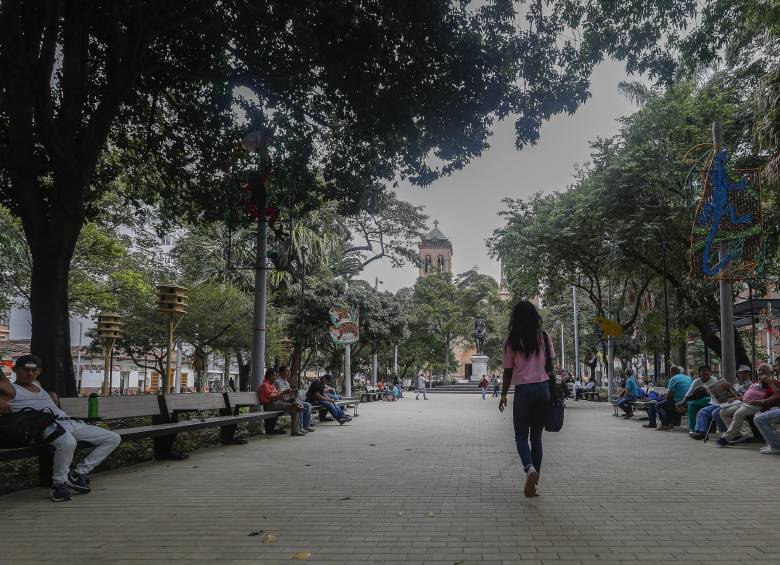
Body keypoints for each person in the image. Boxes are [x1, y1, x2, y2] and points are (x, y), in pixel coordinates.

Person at [0, 354, 121, 502]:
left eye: (34, 370)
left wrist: (51, 396)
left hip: (68, 422)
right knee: (68, 443)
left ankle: (78, 473)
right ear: (15, 370)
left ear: (39, 371)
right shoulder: (11, 389)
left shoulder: (37, 384)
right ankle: (59, 484)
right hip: (44, 426)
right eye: (25, 370)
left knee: (112, 438)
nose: (29, 373)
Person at [498, 300, 554, 498]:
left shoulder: (511, 341)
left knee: (520, 436)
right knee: (536, 437)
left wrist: (503, 394)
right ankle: (535, 481)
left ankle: (529, 468)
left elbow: (507, 372)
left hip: (524, 391)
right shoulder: (544, 337)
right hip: (543, 389)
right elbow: (550, 364)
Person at [716, 363, 776, 446]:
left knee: (739, 413)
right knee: (723, 412)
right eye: (760, 370)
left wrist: (761, 401)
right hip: (744, 403)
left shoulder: (772, 382)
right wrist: (735, 398)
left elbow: (775, 396)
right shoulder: (755, 383)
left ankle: (726, 438)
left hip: (758, 405)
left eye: (764, 370)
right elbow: (746, 395)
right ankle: (736, 435)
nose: (762, 371)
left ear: (770, 372)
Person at [695, 365, 753, 439]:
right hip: (726, 403)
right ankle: (700, 432)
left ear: (748, 373)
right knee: (703, 411)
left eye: (743, 373)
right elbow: (733, 393)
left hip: (737, 403)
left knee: (716, 412)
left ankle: (725, 432)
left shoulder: (750, 385)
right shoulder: (737, 384)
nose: (740, 375)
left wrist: (734, 397)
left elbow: (745, 397)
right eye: (739, 373)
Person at [258, 367, 305, 437]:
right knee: (295, 406)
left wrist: (287, 393)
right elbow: (273, 398)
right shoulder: (265, 385)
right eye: (274, 375)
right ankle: (295, 430)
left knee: (295, 406)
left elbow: (277, 395)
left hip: (276, 403)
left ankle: (295, 429)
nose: (276, 377)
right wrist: (284, 393)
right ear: (270, 376)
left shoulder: (271, 384)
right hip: (270, 405)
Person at [647, 366, 691, 430]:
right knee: (663, 402)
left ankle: (665, 424)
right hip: (687, 400)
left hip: (677, 400)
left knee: (658, 405)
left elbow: (669, 395)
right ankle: (672, 422)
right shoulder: (688, 378)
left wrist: (665, 396)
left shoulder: (673, 379)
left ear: (672, 372)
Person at [679, 366, 718, 438]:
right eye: (703, 371)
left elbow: (714, 393)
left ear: (710, 373)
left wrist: (705, 389)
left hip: (712, 399)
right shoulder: (696, 381)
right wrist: (682, 402)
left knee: (693, 403)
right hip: (700, 400)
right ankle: (693, 429)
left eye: (707, 371)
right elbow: (688, 394)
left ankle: (695, 429)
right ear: (700, 373)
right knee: (691, 406)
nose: (705, 373)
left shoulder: (713, 379)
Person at [275, 366, 315, 433]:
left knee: (308, 405)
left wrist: (292, 394)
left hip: (290, 400)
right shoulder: (278, 382)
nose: (288, 373)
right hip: (283, 402)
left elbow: (288, 394)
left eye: (289, 371)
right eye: (287, 371)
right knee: (299, 405)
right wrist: (288, 393)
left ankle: (306, 426)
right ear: (281, 373)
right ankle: (300, 427)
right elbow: (279, 395)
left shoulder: (287, 382)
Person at [751, 367, 780, 454]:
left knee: (759, 419)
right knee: (757, 416)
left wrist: (770, 382)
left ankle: (776, 446)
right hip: (774, 407)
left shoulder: (772, 381)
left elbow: (777, 395)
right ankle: (772, 444)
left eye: (778, 365)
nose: (777, 368)